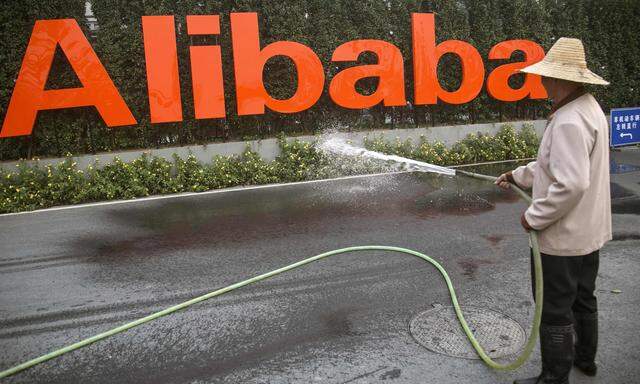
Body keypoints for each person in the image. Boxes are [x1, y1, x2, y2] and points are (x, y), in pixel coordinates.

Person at [494, 37, 612, 384]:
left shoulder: (568, 121)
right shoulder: (589, 108)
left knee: (555, 308)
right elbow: (555, 166)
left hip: (563, 239)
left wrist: (534, 216)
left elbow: (570, 184)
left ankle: (554, 377)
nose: (542, 83)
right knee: (583, 298)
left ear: (561, 79)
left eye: (546, 77)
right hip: (588, 234)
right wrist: (517, 176)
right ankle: (585, 360)